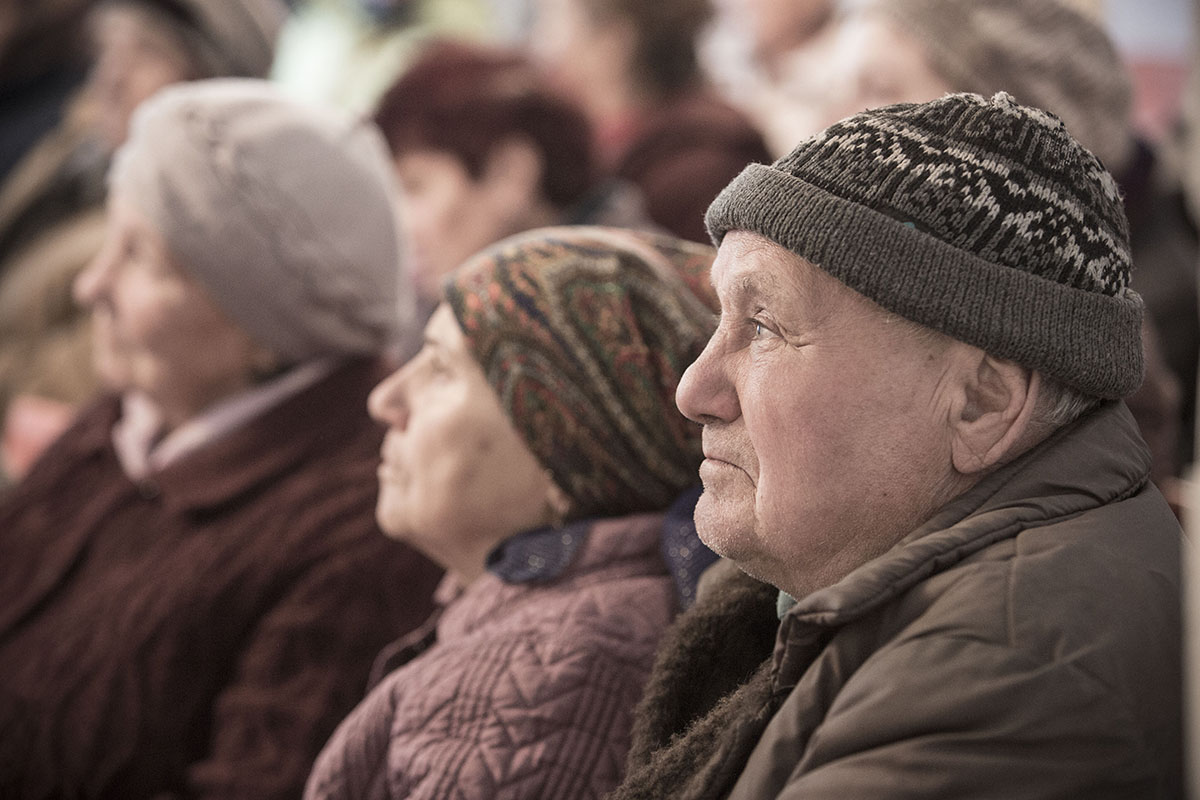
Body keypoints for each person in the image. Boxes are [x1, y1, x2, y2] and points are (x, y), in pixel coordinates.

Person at [608, 92, 1182, 799]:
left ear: (982, 403)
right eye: (719, 318)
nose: (693, 391)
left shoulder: (999, 676)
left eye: (764, 325)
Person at [0, 80, 443, 800]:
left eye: (139, 257)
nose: (89, 285)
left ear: (264, 333)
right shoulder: (136, 411)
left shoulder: (359, 529)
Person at [305, 226, 718, 800]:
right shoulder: (556, 624)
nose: (387, 400)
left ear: (565, 452)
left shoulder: (543, 672)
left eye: (441, 370)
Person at [780, 0, 1199, 482]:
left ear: (1012, 135)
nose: (832, 121)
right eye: (838, 90)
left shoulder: (1105, 335)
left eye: (879, 89)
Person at [0, 0, 287, 482]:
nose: (112, 75)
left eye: (144, 55)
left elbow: (54, 401)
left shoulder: (183, 252)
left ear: (204, 87)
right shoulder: (76, 151)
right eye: (109, 49)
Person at [372, 38, 654, 321]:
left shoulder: (635, 308)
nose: (401, 224)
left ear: (511, 173)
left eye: (415, 186)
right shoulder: (445, 308)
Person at [526, 0, 770, 243]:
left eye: (554, 22)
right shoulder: (586, 149)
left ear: (613, 41)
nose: (541, 47)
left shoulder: (701, 169)